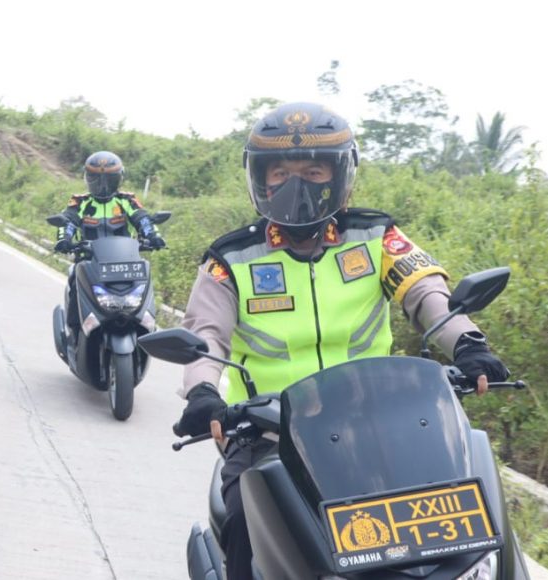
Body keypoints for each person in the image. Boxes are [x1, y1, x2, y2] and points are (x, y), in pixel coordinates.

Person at [173, 102, 510, 580]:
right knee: (245, 524)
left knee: (467, 513)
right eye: (280, 173)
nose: (296, 185)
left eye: (313, 171)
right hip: (269, 434)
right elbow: (204, 335)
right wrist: (203, 392)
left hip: (382, 422)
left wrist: (468, 343)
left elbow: (427, 295)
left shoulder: (376, 236)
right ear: (260, 180)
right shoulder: (231, 259)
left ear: (339, 175)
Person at [53, 151, 166, 339]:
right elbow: (68, 221)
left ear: (119, 178)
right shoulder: (80, 202)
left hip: (126, 263)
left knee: (145, 282)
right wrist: (64, 239)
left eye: (109, 180)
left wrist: (154, 236)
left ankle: (146, 328)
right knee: (73, 277)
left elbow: (143, 218)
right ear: (87, 178)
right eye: (96, 179)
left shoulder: (126, 200)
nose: (103, 185)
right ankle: (75, 333)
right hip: (89, 262)